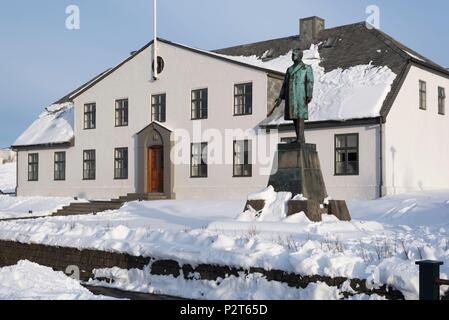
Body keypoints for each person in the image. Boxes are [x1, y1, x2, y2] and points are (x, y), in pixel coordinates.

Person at [274, 48, 314, 143]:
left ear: (300, 56)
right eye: (292, 55)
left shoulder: (306, 68)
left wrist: (309, 94)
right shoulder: (289, 69)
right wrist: (280, 97)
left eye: (294, 54)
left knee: (300, 116)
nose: (292, 56)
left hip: (301, 95)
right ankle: (298, 137)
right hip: (291, 96)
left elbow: (310, 82)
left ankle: (300, 138)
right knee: (294, 116)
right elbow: (285, 84)